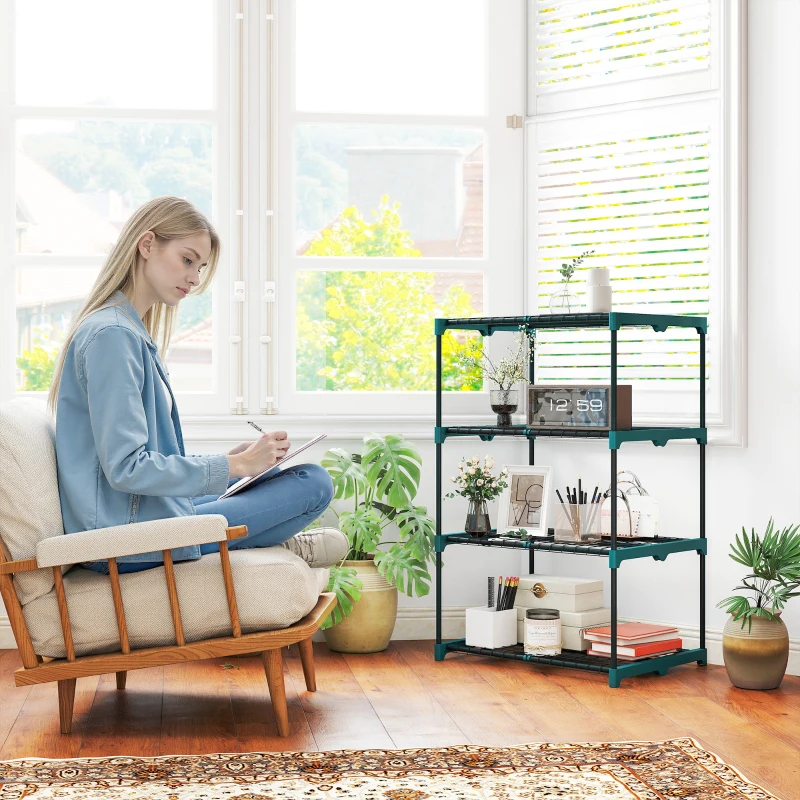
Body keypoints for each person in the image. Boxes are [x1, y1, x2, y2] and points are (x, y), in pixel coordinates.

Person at [48, 196, 347, 574]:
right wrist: (233, 465)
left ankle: (258, 538)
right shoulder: (112, 336)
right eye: (187, 260)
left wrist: (236, 463)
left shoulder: (126, 331)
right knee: (313, 483)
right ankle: (273, 541)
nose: (194, 277)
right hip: (122, 538)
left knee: (272, 475)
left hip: (140, 518)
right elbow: (126, 469)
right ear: (147, 245)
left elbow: (135, 465)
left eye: (200, 267)